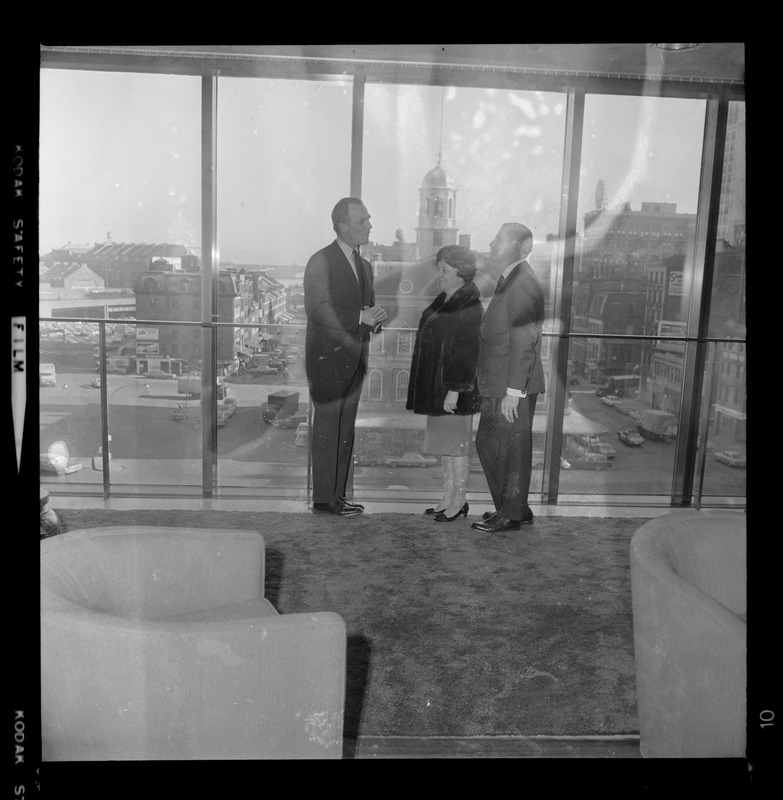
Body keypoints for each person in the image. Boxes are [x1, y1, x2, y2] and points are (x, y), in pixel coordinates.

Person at [304, 197, 387, 516]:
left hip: (355, 359)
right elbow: (317, 309)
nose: (369, 226)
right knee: (327, 430)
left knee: (345, 430)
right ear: (341, 225)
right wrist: (358, 318)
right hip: (327, 362)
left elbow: (363, 312)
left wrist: (374, 319)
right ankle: (325, 499)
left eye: (368, 220)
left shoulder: (364, 265)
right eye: (362, 221)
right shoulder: (320, 261)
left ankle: (337, 495)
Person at [470, 223, 545, 533]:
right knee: (488, 443)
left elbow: (525, 339)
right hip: (498, 383)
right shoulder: (511, 279)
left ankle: (511, 513)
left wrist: (514, 392)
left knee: (511, 449)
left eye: (498, 239)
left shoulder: (523, 282)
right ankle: (512, 506)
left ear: (517, 247)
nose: (491, 243)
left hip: (511, 386)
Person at [406, 245, 483, 522]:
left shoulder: (469, 305)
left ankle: (459, 501)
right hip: (440, 390)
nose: (438, 274)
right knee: (446, 446)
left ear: (461, 274)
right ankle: (447, 498)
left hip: (454, 391)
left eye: (444, 270)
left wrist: (454, 390)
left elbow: (467, 352)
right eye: (438, 268)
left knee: (457, 446)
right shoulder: (446, 299)